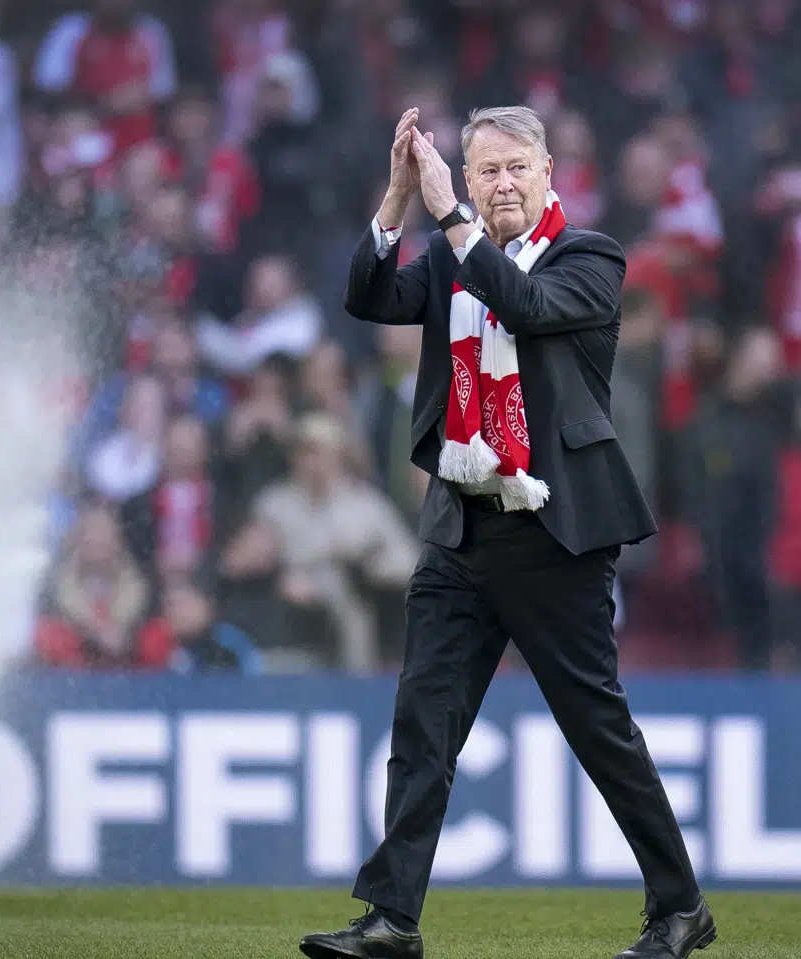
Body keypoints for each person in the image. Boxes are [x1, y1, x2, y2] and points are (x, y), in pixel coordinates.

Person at [298, 106, 714, 959]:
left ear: (550, 171)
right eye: (484, 170)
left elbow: (522, 305)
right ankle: (391, 919)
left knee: (597, 727)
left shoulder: (590, 259)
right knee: (423, 724)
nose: (502, 184)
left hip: (553, 534)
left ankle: (680, 905)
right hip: (461, 527)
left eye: (516, 167)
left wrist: (453, 219)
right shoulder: (452, 259)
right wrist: (399, 197)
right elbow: (368, 295)